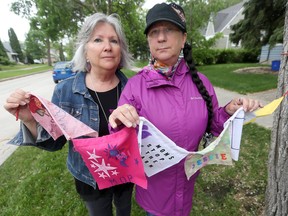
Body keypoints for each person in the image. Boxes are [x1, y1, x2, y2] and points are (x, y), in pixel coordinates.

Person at [109, 3, 263, 216]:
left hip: (187, 187)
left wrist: (228, 111)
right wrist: (116, 121)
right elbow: (120, 145)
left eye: (169, 30)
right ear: (149, 41)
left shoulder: (201, 82)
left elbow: (214, 125)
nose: (161, 38)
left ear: (183, 38)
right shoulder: (136, 87)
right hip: (154, 196)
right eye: (154, 32)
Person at [4, 13, 134, 216]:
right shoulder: (65, 91)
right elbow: (54, 142)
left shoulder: (133, 88)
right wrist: (30, 119)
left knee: (124, 210)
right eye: (98, 39)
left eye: (114, 40)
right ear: (85, 51)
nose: (107, 46)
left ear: (121, 50)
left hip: (126, 171)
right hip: (89, 178)